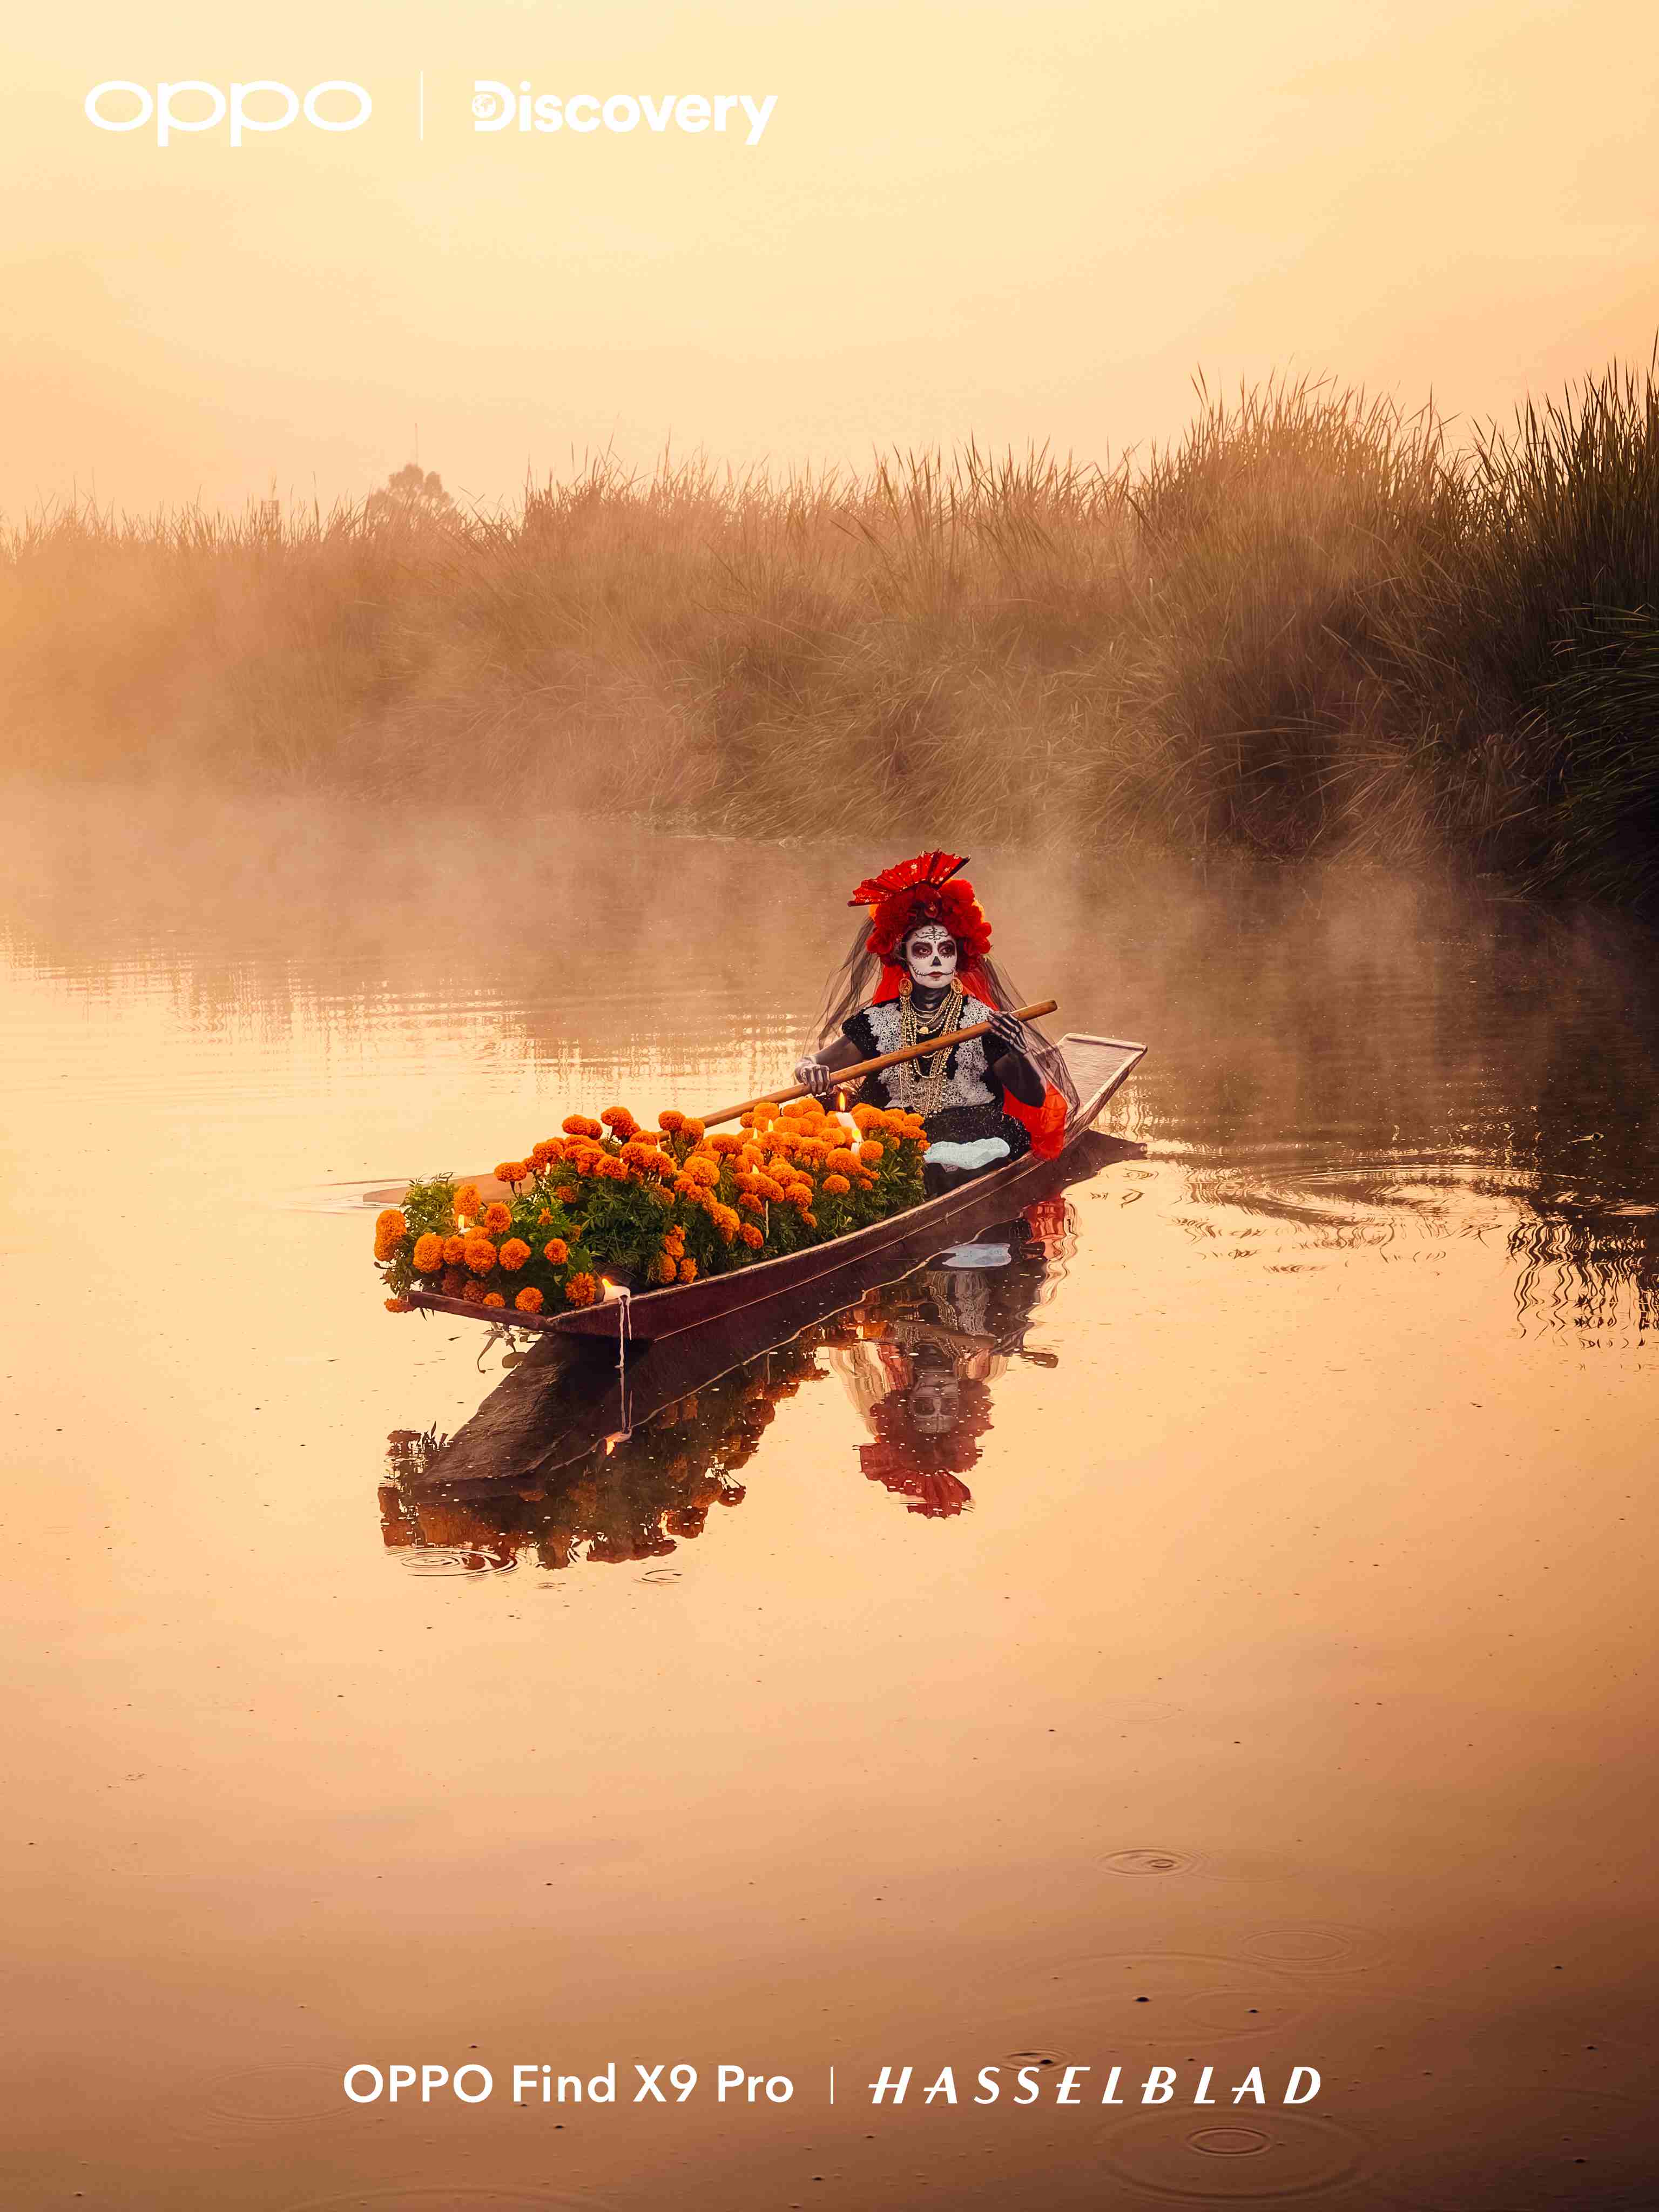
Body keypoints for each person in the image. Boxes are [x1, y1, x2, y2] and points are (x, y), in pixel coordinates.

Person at [792, 850, 1077, 1195]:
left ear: (961, 955)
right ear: (903, 957)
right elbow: (819, 1061)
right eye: (923, 951)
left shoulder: (983, 1023)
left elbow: (1032, 1097)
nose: (937, 961)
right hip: (892, 1134)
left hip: (971, 1134)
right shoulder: (877, 1021)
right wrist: (808, 1068)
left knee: (943, 1169)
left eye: (946, 949)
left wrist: (1018, 1049)